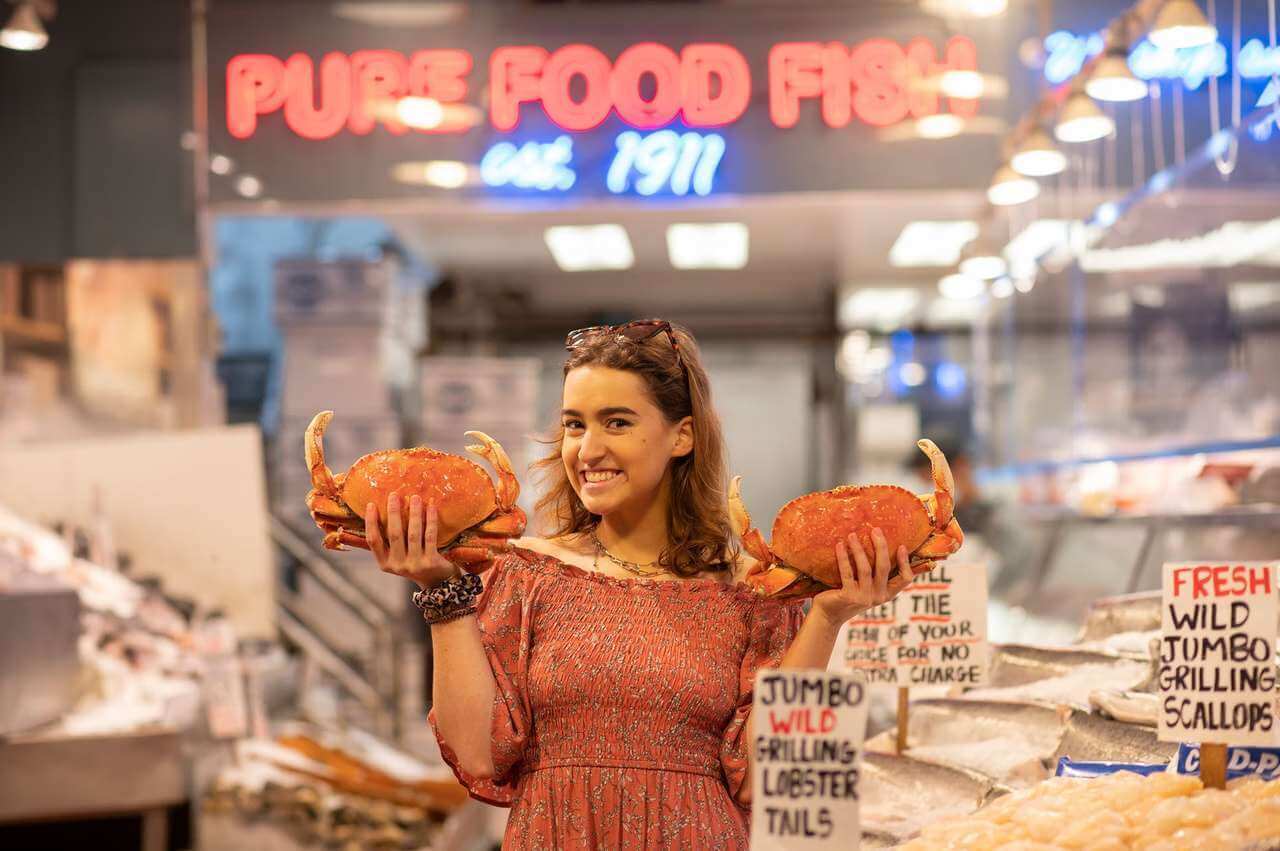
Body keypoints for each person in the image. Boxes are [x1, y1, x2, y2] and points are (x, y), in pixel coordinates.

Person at [363, 320, 923, 849]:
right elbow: (477, 754)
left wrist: (826, 618)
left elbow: (763, 778)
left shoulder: (752, 593)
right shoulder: (523, 574)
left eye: (618, 422)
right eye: (574, 424)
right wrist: (443, 592)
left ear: (681, 436)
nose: (588, 450)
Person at [908, 437, 1033, 593]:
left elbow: (1020, 569)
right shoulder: (931, 523)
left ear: (962, 465)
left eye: (934, 480)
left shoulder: (998, 514)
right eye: (924, 481)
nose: (931, 492)